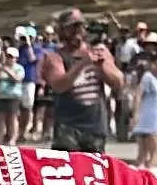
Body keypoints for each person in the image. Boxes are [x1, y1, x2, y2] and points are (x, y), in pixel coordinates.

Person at [39, 12, 117, 153]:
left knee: (95, 172)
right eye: (72, 27)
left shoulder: (99, 52)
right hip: (67, 129)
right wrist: (82, 64)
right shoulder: (54, 57)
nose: (77, 31)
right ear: (62, 30)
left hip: (95, 128)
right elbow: (58, 85)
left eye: (80, 26)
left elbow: (119, 82)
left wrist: (102, 68)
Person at [132, 52, 157, 167]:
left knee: (143, 154)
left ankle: (139, 178)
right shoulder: (148, 77)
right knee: (155, 153)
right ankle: (150, 178)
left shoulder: (155, 79)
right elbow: (138, 94)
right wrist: (135, 114)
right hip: (149, 120)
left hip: (150, 118)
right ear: (152, 65)